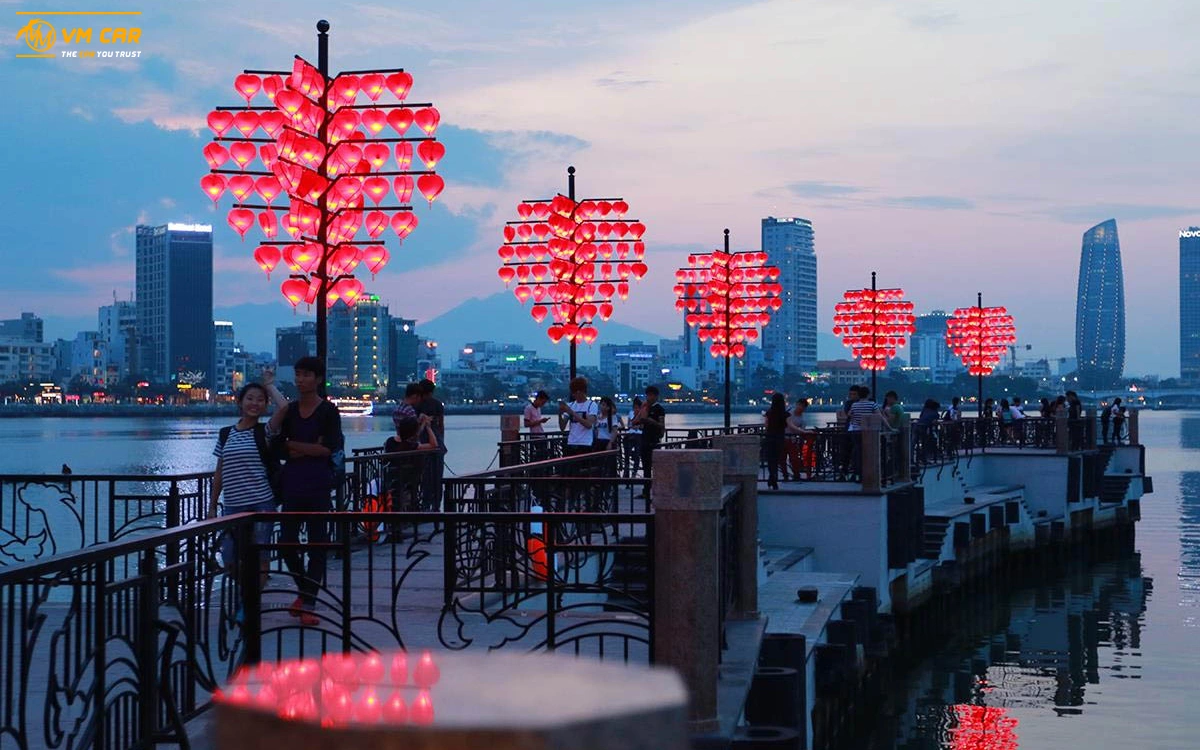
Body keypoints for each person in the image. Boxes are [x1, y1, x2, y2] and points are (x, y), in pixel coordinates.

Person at [209, 376, 288, 608]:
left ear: (265, 405)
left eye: (260, 400)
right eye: (250, 398)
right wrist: (213, 505)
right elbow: (219, 473)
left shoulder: (266, 431)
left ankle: (250, 602)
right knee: (230, 557)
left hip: (262, 503)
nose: (255, 403)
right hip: (233, 504)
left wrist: (270, 385)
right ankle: (247, 592)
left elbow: (284, 408)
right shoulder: (226, 434)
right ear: (240, 402)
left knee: (261, 557)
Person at [276, 356, 343, 626]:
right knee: (286, 543)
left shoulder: (328, 411)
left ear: (318, 379)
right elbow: (279, 446)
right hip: (292, 482)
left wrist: (296, 446)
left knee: (317, 544)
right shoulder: (290, 411)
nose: (300, 379)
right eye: (298, 374)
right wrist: (307, 447)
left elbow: (328, 449)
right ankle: (305, 592)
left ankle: (309, 603)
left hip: (318, 483)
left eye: (306, 375)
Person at [415, 379, 446, 510]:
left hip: (422, 444)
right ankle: (436, 505)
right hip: (437, 443)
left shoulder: (417, 405)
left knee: (424, 475)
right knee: (437, 476)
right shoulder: (438, 404)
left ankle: (425, 503)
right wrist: (441, 441)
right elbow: (441, 425)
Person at [632, 385, 666, 498]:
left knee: (656, 467)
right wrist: (642, 410)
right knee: (646, 467)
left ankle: (658, 492)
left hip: (654, 440)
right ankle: (646, 491)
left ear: (656, 396)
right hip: (644, 439)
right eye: (648, 395)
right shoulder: (646, 407)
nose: (649, 397)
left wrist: (651, 421)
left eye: (651, 395)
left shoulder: (659, 409)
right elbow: (635, 422)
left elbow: (662, 425)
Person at [558, 376, 598, 456]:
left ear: (582, 391)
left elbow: (589, 425)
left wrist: (572, 413)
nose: (574, 395)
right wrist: (560, 414)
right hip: (571, 442)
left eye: (575, 392)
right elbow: (562, 427)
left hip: (585, 443)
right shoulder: (571, 405)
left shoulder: (591, 405)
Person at [763, 392, 790, 489]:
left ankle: (772, 477)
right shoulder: (785, 414)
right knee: (777, 458)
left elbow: (766, 425)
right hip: (780, 438)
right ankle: (773, 478)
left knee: (771, 460)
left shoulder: (769, 413)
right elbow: (789, 425)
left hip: (770, 437)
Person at [785, 398, 815, 479]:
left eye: (802, 407)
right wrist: (803, 432)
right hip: (783, 437)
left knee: (794, 458)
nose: (800, 408)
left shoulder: (802, 419)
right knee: (782, 458)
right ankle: (785, 475)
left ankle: (796, 475)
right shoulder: (788, 412)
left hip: (792, 440)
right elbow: (790, 425)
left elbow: (801, 431)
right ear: (797, 404)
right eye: (799, 405)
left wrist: (804, 432)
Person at [622, 397, 644, 478]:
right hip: (630, 434)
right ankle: (626, 472)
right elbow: (629, 425)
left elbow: (641, 426)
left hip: (639, 435)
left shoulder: (642, 414)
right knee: (627, 452)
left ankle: (634, 473)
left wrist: (636, 426)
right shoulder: (631, 413)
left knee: (637, 454)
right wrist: (635, 426)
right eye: (635, 407)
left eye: (638, 407)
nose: (636, 409)